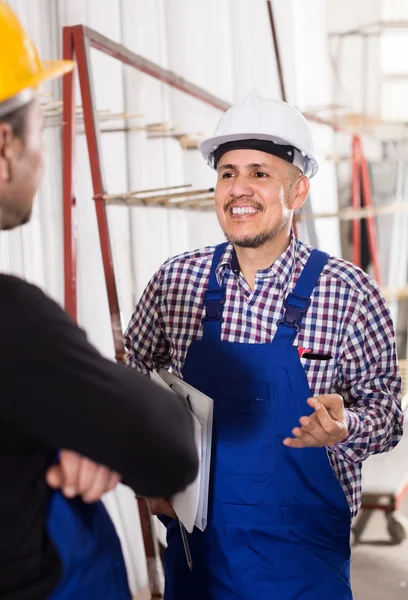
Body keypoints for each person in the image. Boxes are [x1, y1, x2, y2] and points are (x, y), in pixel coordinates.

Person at [124, 89, 404, 599]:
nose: (239, 189)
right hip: (197, 556)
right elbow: (129, 386)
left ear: (297, 193)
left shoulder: (348, 292)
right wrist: (148, 476)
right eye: (228, 173)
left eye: (260, 173)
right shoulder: (176, 281)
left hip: (303, 565)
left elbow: (389, 417)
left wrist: (346, 428)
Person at [0, 4, 198, 600]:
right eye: (43, 130)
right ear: (4, 145)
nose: (44, 154)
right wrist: (91, 426)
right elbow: (165, 444)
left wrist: (71, 420)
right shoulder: (13, 323)